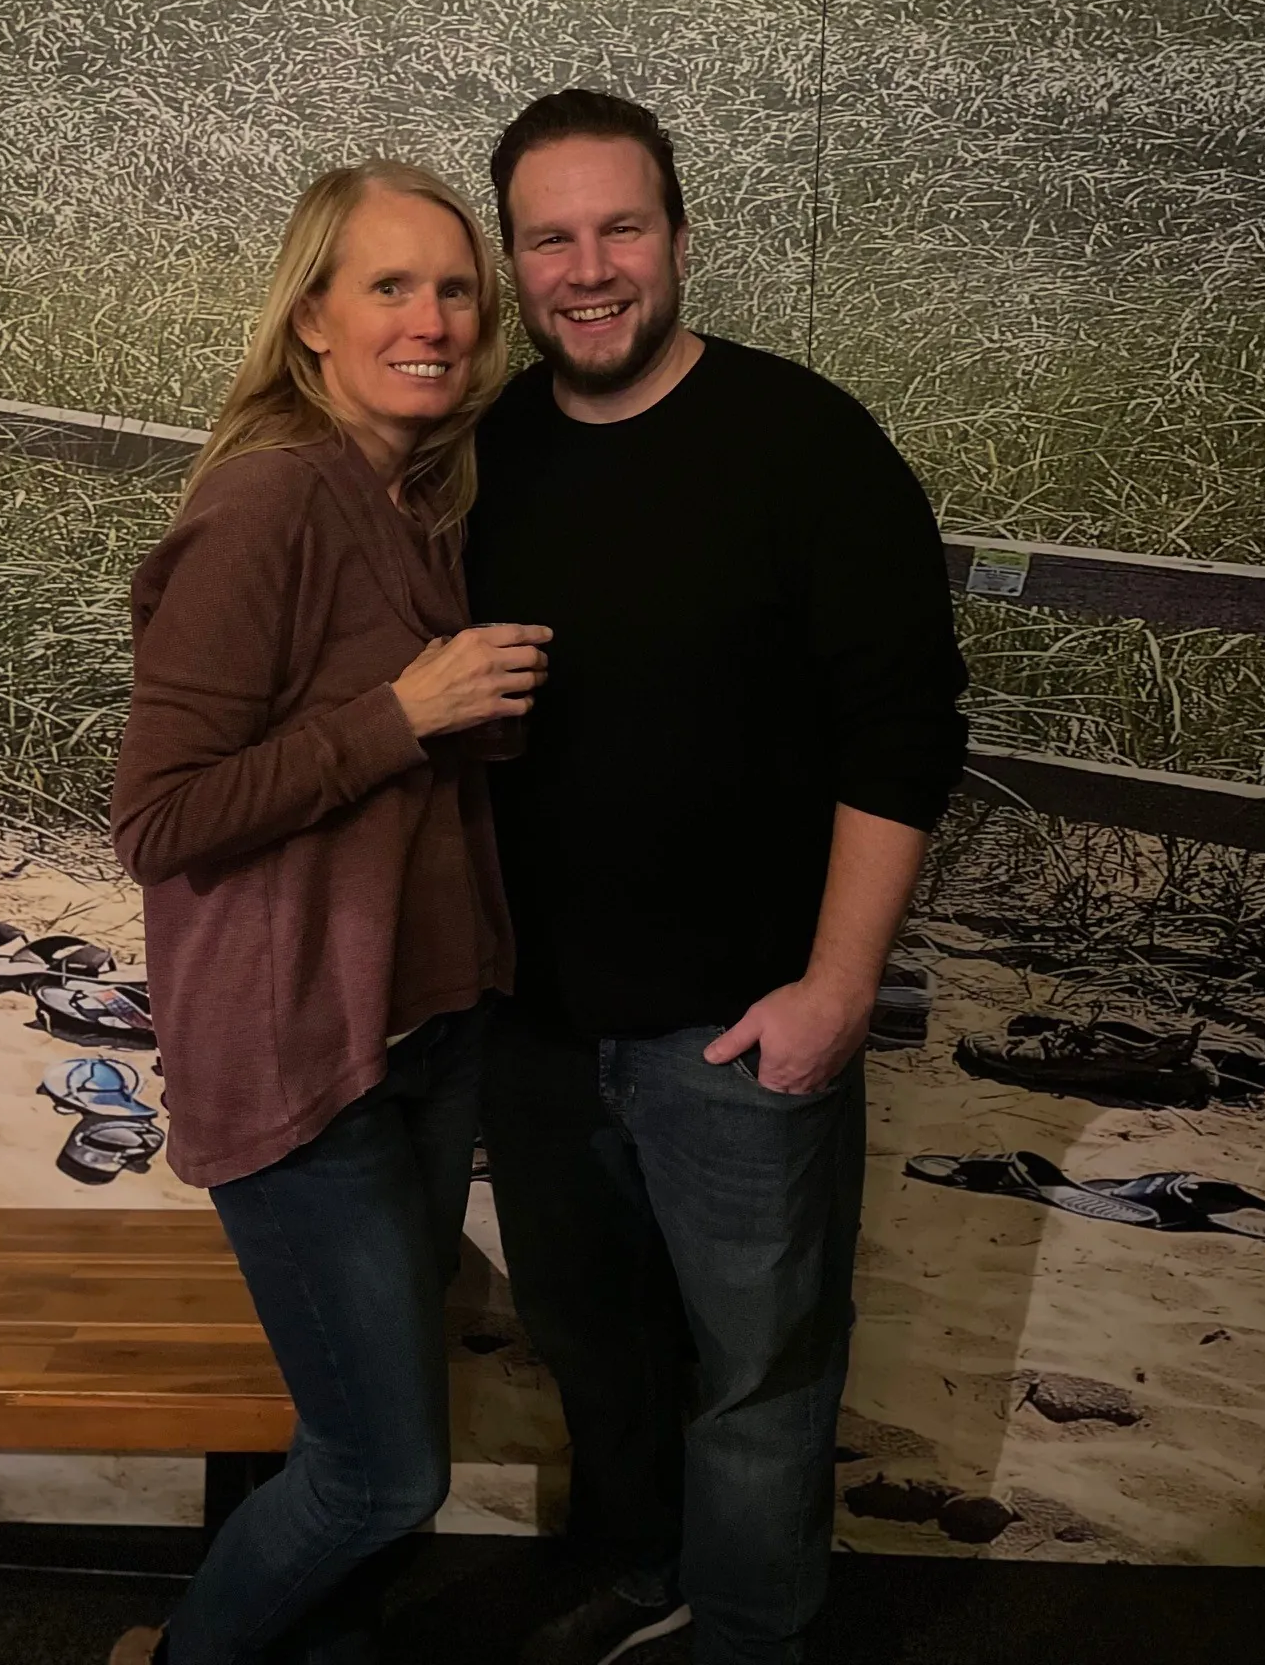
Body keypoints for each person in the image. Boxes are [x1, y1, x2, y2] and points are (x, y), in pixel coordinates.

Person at [465, 91, 969, 1665]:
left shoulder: (807, 446)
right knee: (597, 1353)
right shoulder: (484, 457)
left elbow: (905, 734)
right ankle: (643, 1575)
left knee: (761, 1381)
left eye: (620, 228)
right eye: (551, 238)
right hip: (537, 1033)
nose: (588, 269)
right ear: (514, 261)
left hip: (743, 1034)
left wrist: (838, 990)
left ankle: (749, 1633)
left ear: (680, 237)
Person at [107, 159, 550, 1665]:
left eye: (457, 290)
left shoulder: (418, 501)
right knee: (382, 1476)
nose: (433, 320)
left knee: (351, 1432)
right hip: (303, 1060)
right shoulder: (270, 501)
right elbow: (161, 818)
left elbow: (395, 778)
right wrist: (404, 713)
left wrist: (462, 727)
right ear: (311, 318)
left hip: (417, 1038)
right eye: (390, 286)